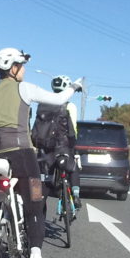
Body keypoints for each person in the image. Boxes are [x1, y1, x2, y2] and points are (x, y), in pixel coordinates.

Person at [0, 48, 81, 258]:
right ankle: (35, 253)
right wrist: (74, 86)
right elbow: (58, 98)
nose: (24, 70)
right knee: (35, 202)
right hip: (22, 154)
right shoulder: (23, 88)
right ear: (13, 68)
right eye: (21, 66)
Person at [34, 75, 83, 210]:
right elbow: (73, 129)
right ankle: (76, 194)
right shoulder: (69, 106)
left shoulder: (42, 105)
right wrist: (74, 147)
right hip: (63, 147)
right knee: (73, 167)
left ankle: (37, 205)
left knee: (42, 179)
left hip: (44, 148)